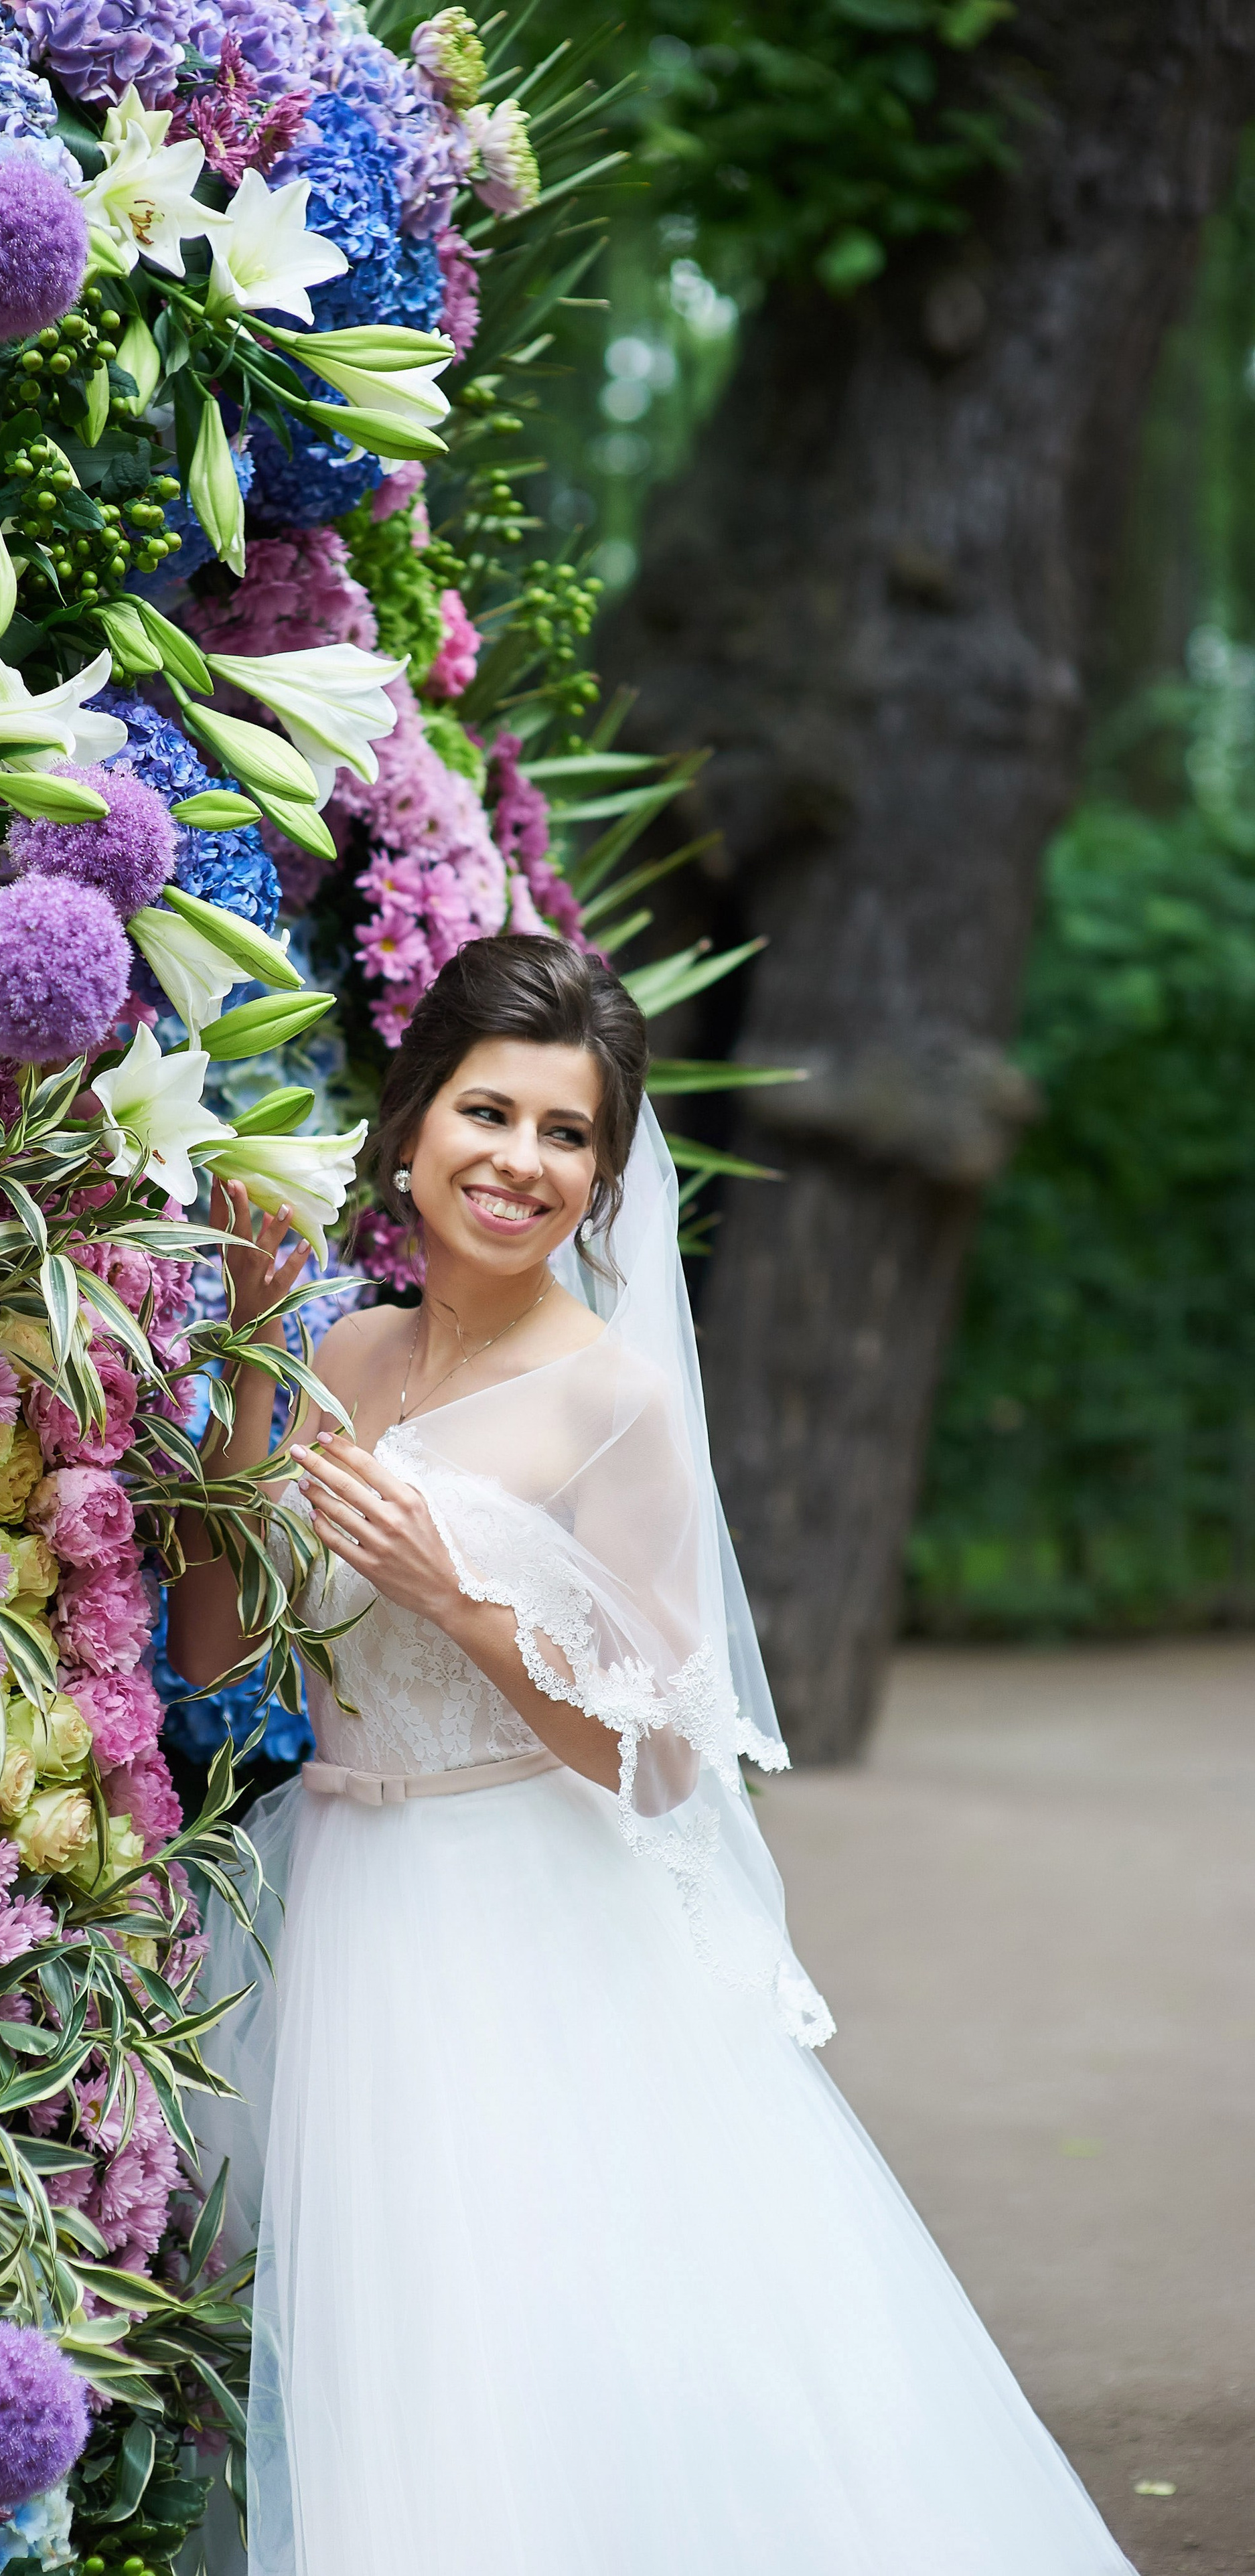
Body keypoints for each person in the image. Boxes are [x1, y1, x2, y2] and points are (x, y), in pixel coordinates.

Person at [167, 935, 1136, 2576]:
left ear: (605, 1175)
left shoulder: (611, 1406)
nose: (519, 1163)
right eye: (488, 1112)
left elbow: (663, 1756)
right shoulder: (338, 1359)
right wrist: (253, 1371)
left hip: (525, 1911)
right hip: (335, 1905)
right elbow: (211, 1661)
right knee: (370, 2344)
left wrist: (452, 1597)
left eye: (565, 1136)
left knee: (540, 2343)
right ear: (409, 1124)